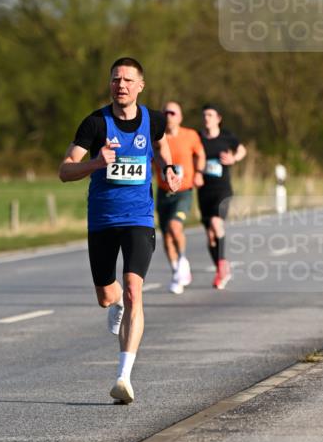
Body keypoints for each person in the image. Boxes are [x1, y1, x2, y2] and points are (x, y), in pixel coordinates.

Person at [59, 57, 179, 404]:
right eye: (115, 80)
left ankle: (123, 377)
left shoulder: (153, 120)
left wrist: (169, 169)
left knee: (132, 288)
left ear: (140, 85)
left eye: (127, 80)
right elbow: (65, 170)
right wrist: (97, 163)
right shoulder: (96, 124)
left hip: (139, 218)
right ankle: (117, 307)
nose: (121, 85)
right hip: (102, 220)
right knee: (107, 297)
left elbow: (161, 144)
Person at [155, 102, 206, 294]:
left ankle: (183, 260)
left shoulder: (190, 135)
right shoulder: (157, 137)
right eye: (165, 112)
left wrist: (199, 172)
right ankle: (177, 271)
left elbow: (200, 154)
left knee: (175, 227)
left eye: (173, 112)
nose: (169, 116)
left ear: (180, 116)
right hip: (163, 191)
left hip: (184, 190)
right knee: (166, 236)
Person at [197, 104, 247, 289]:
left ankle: (222, 267)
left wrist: (234, 158)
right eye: (204, 115)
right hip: (203, 190)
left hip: (222, 190)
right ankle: (221, 267)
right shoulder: (198, 137)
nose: (206, 118)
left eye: (210, 115)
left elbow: (242, 149)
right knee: (210, 235)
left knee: (216, 224)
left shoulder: (227, 136)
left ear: (218, 118)